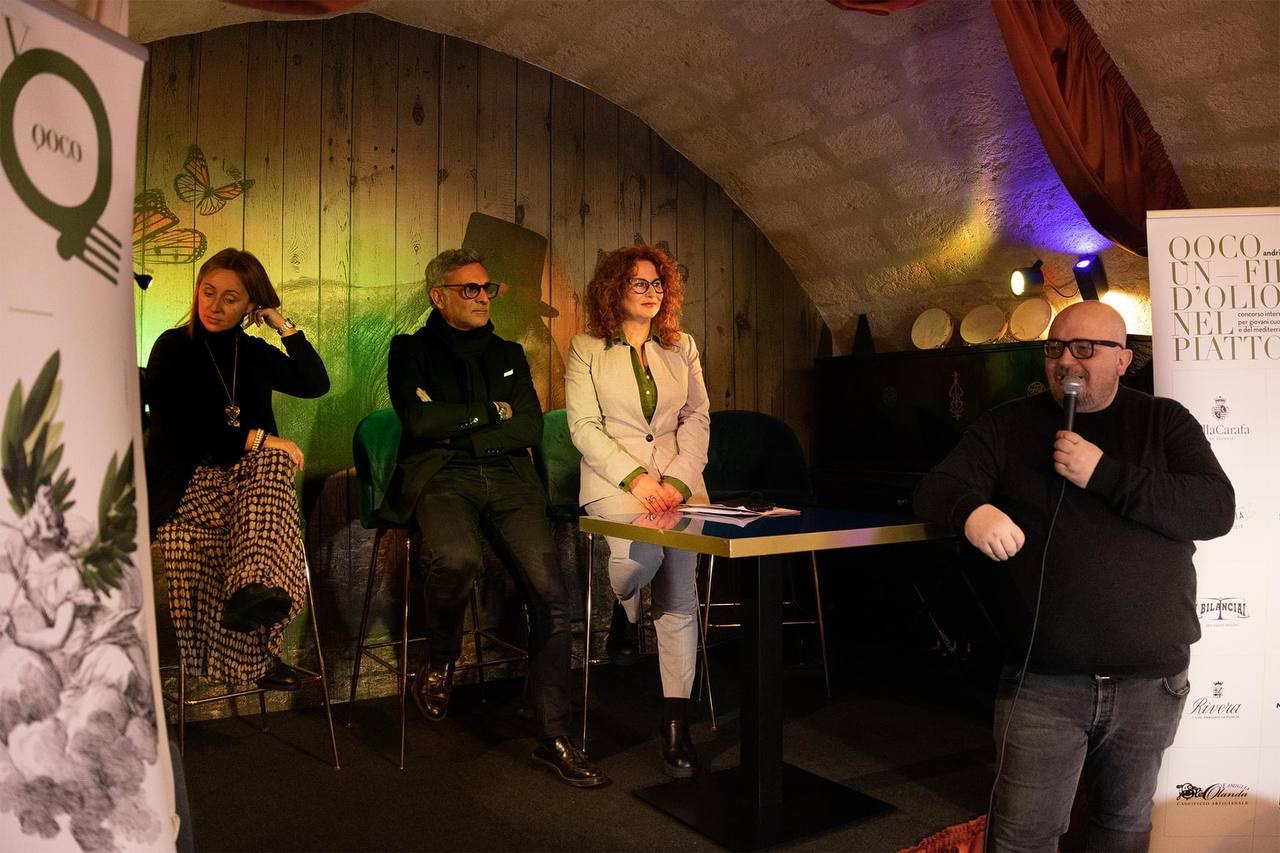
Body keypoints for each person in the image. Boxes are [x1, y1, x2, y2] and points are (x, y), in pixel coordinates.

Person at [912, 301, 1234, 852]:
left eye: (1085, 348)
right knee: (1023, 837)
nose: (1066, 361)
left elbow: (1214, 510)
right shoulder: (1008, 424)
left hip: (1149, 682)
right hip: (1044, 682)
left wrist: (1102, 472)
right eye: (1055, 348)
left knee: (1121, 830)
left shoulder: (1164, 422)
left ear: (1123, 360)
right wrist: (971, 511)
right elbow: (935, 488)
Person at [383, 248, 606, 789]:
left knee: (552, 597)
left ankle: (553, 736)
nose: (484, 297)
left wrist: (461, 429)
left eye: (488, 288)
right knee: (458, 560)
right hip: (441, 475)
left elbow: (528, 427)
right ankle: (441, 657)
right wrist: (491, 412)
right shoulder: (410, 350)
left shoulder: (508, 352)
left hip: (508, 478)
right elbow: (418, 422)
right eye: (471, 289)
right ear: (438, 297)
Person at [145, 248, 329, 691]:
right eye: (208, 292)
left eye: (230, 298)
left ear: (251, 305)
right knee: (273, 465)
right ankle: (256, 633)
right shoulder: (173, 347)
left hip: (246, 489)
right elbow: (182, 428)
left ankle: (253, 592)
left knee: (271, 468)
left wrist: (282, 325)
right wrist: (259, 439)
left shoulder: (252, 352)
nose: (214, 305)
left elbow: (314, 383)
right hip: (188, 485)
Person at [565, 244, 710, 777]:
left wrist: (677, 479)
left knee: (679, 594)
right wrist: (638, 479)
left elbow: (697, 417)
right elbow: (583, 426)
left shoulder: (682, 345)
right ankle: (625, 608)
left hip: (680, 484)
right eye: (639, 283)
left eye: (657, 283)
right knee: (638, 563)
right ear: (613, 290)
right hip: (615, 482)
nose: (652, 292)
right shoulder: (586, 348)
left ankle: (676, 721)